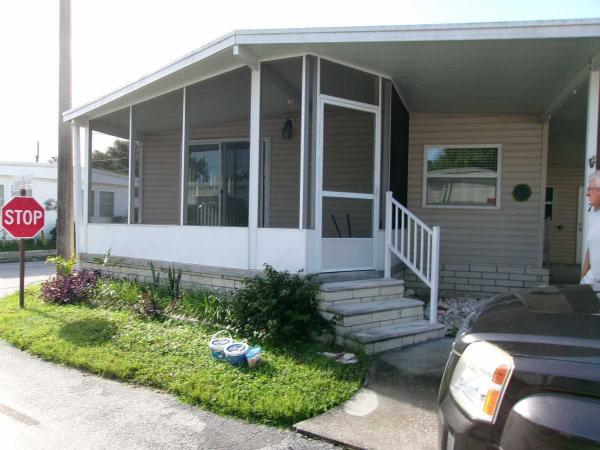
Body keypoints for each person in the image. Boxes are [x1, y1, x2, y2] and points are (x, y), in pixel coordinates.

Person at [581, 171, 600, 284]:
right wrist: (583, 279)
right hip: (591, 281)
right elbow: (590, 249)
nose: (587, 193)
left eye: (590, 189)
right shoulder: (594, 215)